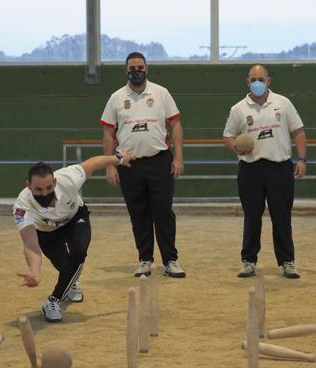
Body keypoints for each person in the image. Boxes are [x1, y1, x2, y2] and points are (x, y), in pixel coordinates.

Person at [13, 150, 134, 322]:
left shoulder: (68, 178)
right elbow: (30, 245)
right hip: (47, 233)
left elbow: (93, 164)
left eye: (48, 187)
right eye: (38, 189)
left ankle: (52, 301)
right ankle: (72, 282)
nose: (44, 193)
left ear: (54, 182)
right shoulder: (22, 206)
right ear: (28, 186)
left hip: (74, 218)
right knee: (67, 269)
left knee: (78, 253)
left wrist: (118, 159)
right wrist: (35, 271)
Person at [100, 51, 186, 278]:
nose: (136, 72)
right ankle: (145, 260)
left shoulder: (161, 93)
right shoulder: (117, 98)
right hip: (129, 165)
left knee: (163, 212)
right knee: (138, 213)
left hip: (160, 161)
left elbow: (175, 125)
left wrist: (178, 158)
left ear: (146, 69)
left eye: (140, 68)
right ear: (126, 71)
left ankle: (171, 261)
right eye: (132, 68)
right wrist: (110, 165)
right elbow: (108, 132)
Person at [223, 64, 307, 279]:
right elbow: (228, 136)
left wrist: (302, 159)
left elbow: (298, 132)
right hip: (251, 169)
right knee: (252, 217)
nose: (257, 83)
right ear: (247, 82)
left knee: (282, 217)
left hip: (280, 168)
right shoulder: (238, 109)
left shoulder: (283, 103)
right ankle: (248, 261)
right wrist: (236, 147)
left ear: (269, 81)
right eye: (253, 79)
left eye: (261, 79)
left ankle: (287, 262)